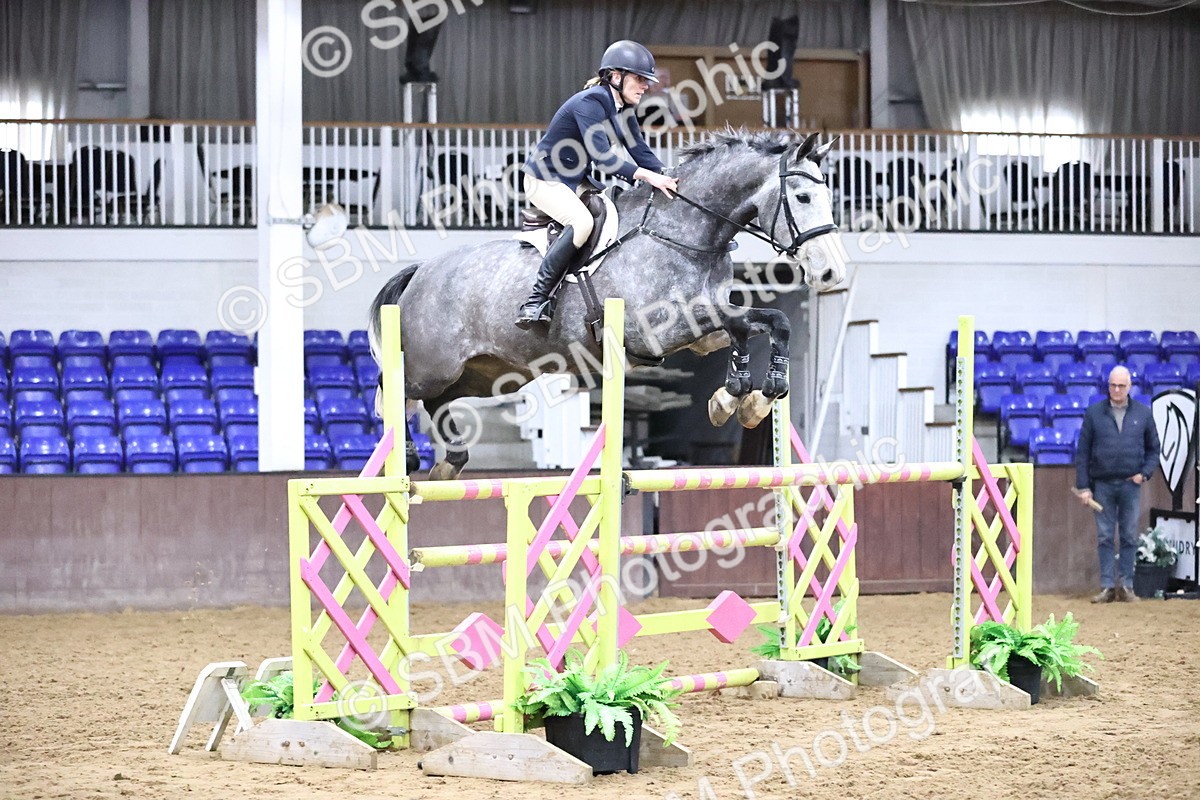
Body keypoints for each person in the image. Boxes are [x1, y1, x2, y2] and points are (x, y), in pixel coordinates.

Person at [515, 40, 678, 329]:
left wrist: (670, 178)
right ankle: (535, 300)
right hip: (545, 179)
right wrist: (647, 176)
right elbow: (603, 158)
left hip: (574, 179)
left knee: (612, 212)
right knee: (582, 223)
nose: (644, 86)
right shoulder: (590, 103)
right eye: (639, 79)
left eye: (646, 80)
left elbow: (639, 151)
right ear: (616, 76)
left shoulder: (622, 108)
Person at [1075, 365, 1160, 603]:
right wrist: (1083, 486)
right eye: (1113, 385)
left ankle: (1127, 586)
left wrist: (1144, 473)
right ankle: (1107, 587)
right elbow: (1082, 453)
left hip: (1130, 485)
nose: (1116, 389)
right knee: (1104, 536)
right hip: (1101, 485)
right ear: (1108, 385)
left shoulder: (1143, 414)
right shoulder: (1094, 414)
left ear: (1129, 386)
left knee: (1130, 535)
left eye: (1121, 385)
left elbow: (1154, 449)